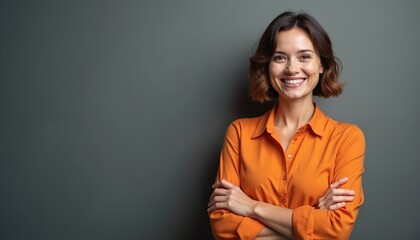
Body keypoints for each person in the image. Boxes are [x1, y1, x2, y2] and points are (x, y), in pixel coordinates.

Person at [207, 11, 365, 240]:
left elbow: (337, 230)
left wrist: (251, 207)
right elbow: (222, 226)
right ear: (268, 65)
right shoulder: (239, 133)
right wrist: (311, 220)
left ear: (322, 65)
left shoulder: (347, 138)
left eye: (304, 57)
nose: (292, 68)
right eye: (280, 57)